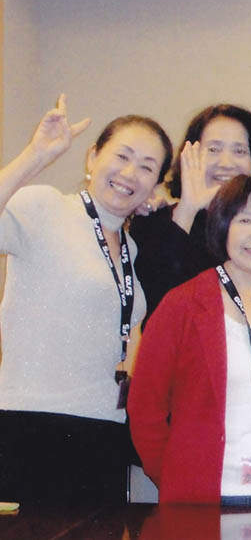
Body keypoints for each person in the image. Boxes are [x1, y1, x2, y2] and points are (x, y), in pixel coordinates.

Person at [0, 96, 172, 504]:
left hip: (104, 427)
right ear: (93, 156)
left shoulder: (130, 247)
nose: (130, 173)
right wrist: (36, 155)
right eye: (122, 156)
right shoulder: (45, 207)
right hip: (34, 424)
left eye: (147, 167)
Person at [128, 174, 251, 507]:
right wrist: (175, 479)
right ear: (223, 225)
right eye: (245, 220)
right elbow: (144, 408)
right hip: (207, 494)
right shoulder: (183, 304)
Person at [131, 104, 251, 321]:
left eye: (240, 151)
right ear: (190, 156)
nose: (226, 163)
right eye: (213, 150)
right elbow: (154, 305)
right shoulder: (151, 221)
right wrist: (188, 209)